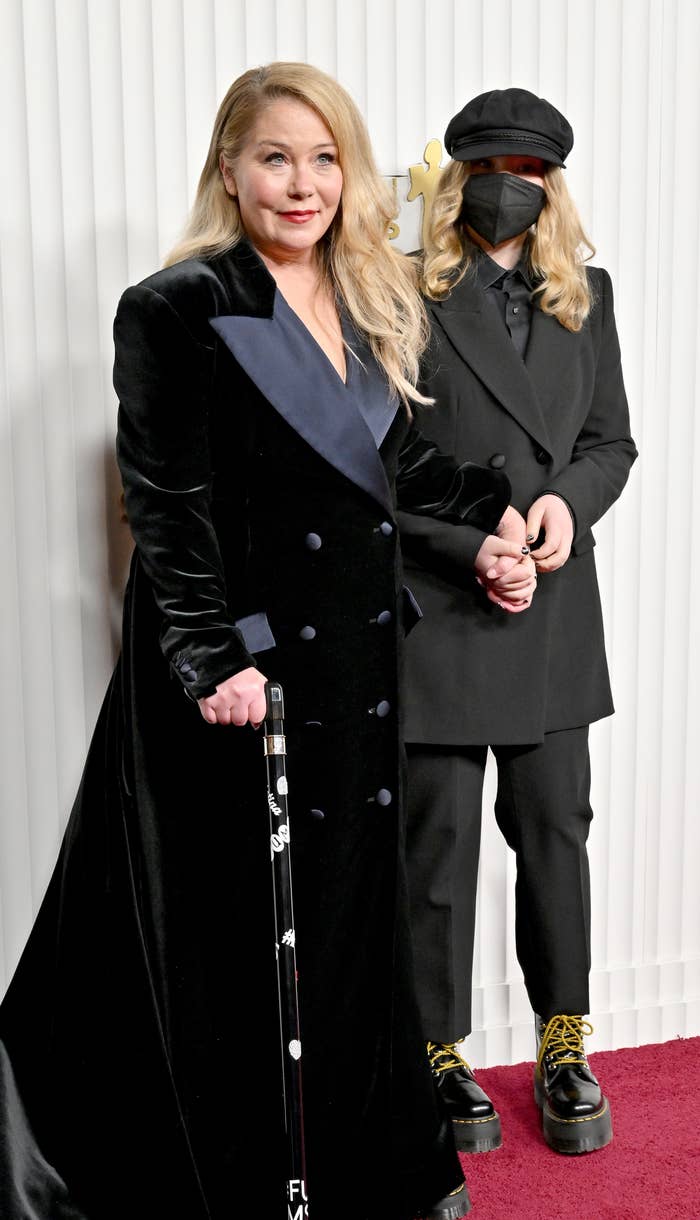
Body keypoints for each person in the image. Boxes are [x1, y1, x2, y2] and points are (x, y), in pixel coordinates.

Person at [0, 63, 524, 1220]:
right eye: (277, 157)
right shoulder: (175, 305)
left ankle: (362, 1162)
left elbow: (389, 463)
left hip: (350, 669)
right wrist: (213, 657)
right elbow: (167, 505)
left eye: (325, 157)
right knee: (236, 934)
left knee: (343, 917)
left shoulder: (361, 292)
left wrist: (496, 516)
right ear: (230, 169)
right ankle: (232, 1176)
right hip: (241, 677)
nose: (303, 182)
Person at [399, 87, 637, 1158]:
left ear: (553, 184)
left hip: (552, 604)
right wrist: (472, 541)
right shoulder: (395, 293)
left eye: (529, 171)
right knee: (435, 846)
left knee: (554, 834)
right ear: (458, 176)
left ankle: (561, 1039)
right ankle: (434, 1052)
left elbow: (606, 443)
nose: (509, 186)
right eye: (490, 164)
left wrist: (563, 508)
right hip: (442, 605)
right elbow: (375, 462)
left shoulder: (587, 293)